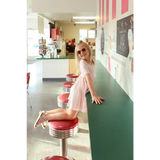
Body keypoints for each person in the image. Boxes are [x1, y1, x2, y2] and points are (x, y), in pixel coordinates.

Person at [34, 41, 104, 129]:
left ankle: (45, 113)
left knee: (69, 111)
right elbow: (88, 79)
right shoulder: (83, 63)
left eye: (83, 49)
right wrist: (94, 95)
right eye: (79, 52)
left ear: (88, 49)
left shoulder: (93, 59)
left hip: (81, 88)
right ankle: (45, 117)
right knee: (70, 115)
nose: (82, 53)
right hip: (79, 90)